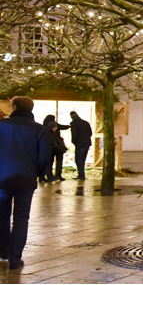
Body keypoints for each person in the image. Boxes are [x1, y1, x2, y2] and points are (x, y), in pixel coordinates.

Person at [0, 96, 52, 270]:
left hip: (1, 178)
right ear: (31, 109)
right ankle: (15, 259)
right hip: (26, 179)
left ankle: (3, 252)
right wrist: (35, 172)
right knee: (21, 218)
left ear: (14, 107)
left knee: (2, 216)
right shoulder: (40, 130)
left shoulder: (1, 125)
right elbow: (45, 156)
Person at [42, 114, 69, 182]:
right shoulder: (52, 125)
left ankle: (49, 175)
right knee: (59, 161)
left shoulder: (45, 126)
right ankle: (58, 175)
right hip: (57, 146)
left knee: (50, 161)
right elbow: (61, 126)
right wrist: (68, 126)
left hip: (52, 147)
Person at [70, 111, 92, 180]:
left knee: (78, 159)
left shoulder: (74, 124)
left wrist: (74, 142)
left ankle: (81, 175)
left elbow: (74, 135)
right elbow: (90, 133)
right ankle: (82, 174)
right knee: (83, 159)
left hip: (79, 144)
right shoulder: (85, 123)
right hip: (87, 143)